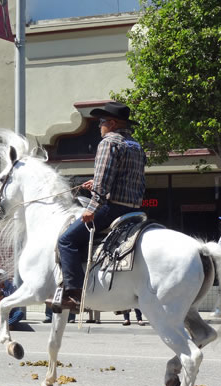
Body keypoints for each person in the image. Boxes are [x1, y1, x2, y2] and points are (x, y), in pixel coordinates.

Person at [57, 101, 147, 310]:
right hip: (134, 209)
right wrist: (96, 181)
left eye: (102, 122)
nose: (99, 126)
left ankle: (74, 295)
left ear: (112, 123)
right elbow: (130, 178)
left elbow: (104, 180)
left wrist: (92, 207)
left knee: (66, 241)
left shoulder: (109, 142)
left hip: (111, 209)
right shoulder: (136, 145)